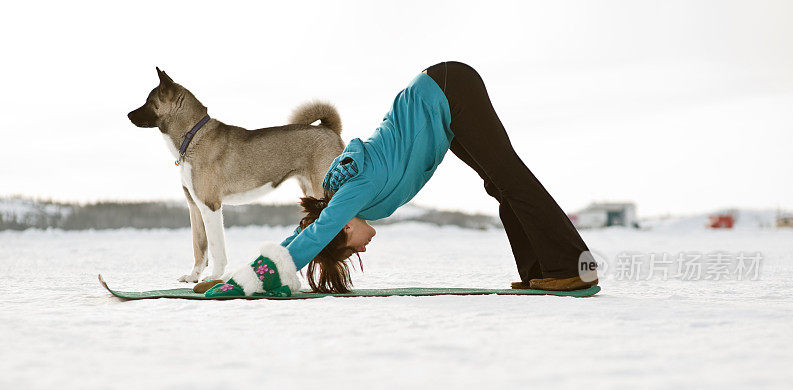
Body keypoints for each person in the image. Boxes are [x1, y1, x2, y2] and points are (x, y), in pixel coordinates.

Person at [203, 61, 598, 297]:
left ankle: (573, 268)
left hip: (446, 90)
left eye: (351, 249)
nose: (361, 248)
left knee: (509, 176)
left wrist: (254, 280)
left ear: (344, 227)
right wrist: (249, 267)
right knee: (500, 181)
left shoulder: (352, 191)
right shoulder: (349, 195)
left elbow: (316, 233)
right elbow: (305, 231)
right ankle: (540, 271)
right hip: (443, 103)